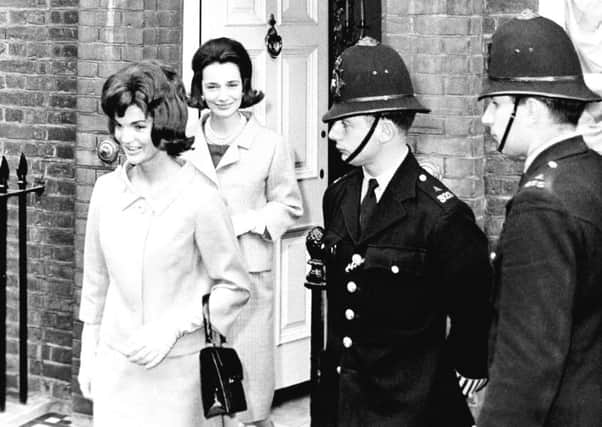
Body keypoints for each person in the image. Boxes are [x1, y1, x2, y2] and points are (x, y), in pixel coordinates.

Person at [317, 37, 493, 427]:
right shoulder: (338, 196)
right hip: (345, 403)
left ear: (383, 128)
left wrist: (467, 364)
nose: (333, 136)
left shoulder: (440, 216)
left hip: (413, 407)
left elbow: (473, 304)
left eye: (345, 125)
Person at [77, 60, 251, 426]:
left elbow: (235, 287)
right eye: (120, 126)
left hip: (178, 376)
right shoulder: (106, 192)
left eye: (139, 126)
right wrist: (88, 357)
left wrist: (172, 327)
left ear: (165, 122)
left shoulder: (201, 197)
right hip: (116, 371)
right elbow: (95, 287)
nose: (126, 139)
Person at [477, 11, 602, 427]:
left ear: (529, 108)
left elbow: (526, 365)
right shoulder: (591, 172)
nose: (486, 119)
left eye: (496, 104)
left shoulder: (540, 206)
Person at [185, 37, 303, 427]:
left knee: (249, 399)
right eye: (213, 86)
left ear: (246, 86)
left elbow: (289, 206)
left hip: (250, 282)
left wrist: (248, 221)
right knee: (198, 391)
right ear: (199, 89)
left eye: (232, 85)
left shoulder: (270, 144)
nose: (223, 96)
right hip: (194, 277)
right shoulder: (182, 146)